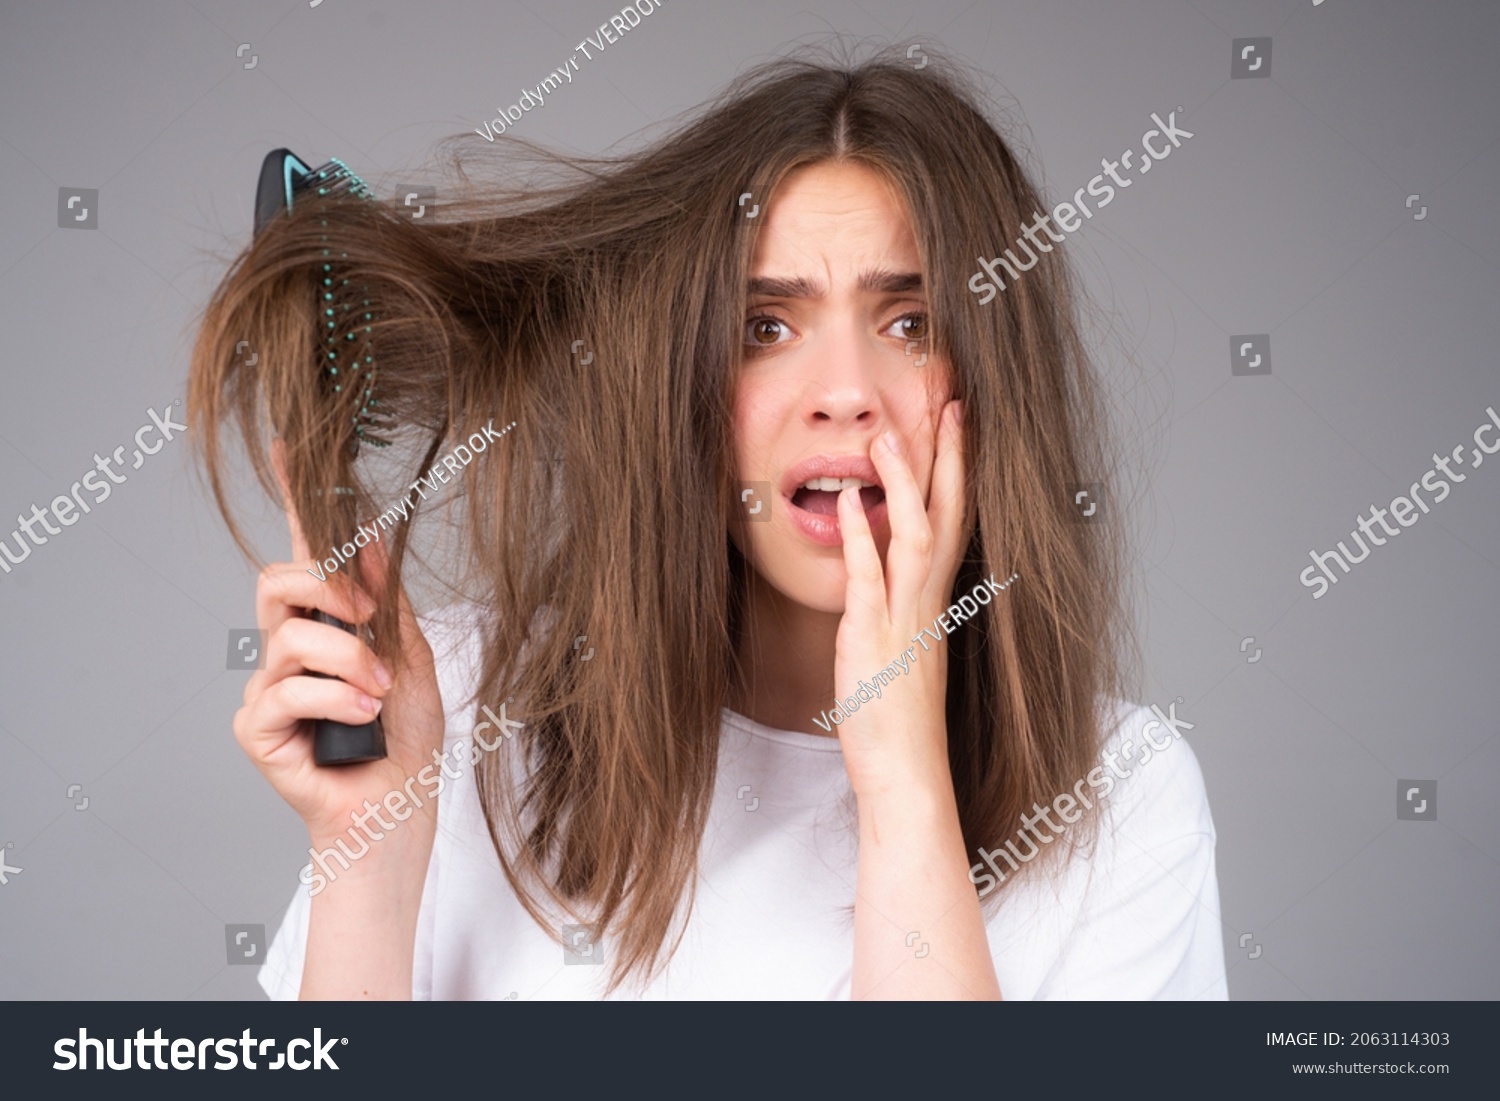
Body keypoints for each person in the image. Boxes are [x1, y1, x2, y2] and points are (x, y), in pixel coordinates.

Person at [188, 44, 1225, 1000]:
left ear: (998, 377)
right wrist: (371, 846)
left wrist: (903, 775)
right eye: (764, 327)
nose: (844, 395)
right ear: (685, 381)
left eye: (911, 323)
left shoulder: (1122, 801)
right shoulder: (456, 707)